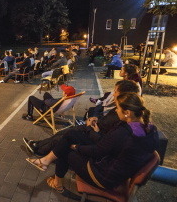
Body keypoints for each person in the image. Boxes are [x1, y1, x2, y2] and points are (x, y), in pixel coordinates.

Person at [26, 92, 159, 193]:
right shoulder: (150, 129)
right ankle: (45, 162)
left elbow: (98, 151)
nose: (116, 110)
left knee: (66, 150)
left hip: (105, 176)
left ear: (127, 113)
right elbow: (108, 145)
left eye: (117, 108)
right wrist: (93, 134)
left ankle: (56, 182)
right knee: (71, 134)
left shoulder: (124, 132)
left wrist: (76, 147)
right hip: (116, 169)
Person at [23, 80, 140, 156]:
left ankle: (39, 150)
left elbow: (103, 141)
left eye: (115, 92)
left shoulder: (122, 118)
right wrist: (95, 119)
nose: (113, 94)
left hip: (92, 136)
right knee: (63, 133)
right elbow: (101, 113)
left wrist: (91, 127)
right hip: (93, 129)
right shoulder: (120, 110)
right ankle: (38, 145)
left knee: (65, 135)